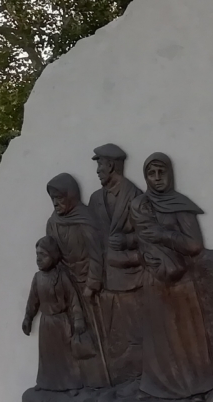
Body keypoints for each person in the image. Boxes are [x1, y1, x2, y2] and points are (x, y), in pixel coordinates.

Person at [130, 152, 213, 400]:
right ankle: (158, 387)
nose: (157, 177)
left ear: (170, 174)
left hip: (181, 279)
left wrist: (162, 235)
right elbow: (135, 238)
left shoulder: (180, 205)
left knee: (185, 334)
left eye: (162, 172)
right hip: (154, 277)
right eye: (151, 173)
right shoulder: (140, 205)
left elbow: (194, 245)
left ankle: (195, 387)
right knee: (159, 336)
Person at [44, 173, 111, 387]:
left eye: (60, 198)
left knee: (96, 333)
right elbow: (52, 255)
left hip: (87, 285)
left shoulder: (86, 219)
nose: (56, 203)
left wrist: (92, 284)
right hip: (67, 285)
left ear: (71, 196)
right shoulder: (53, 223)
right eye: (53, 199)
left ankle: (103, 381)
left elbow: (96, 254)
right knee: (73, 333)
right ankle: (78, 381)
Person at [86, 143, 146, 382]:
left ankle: (142, 380)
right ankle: (121, 382)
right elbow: (93, 244)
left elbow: (147, 236)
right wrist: (93, 282)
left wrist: (127, 241)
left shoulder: (136, 196)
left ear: (111, 165)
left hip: (132, 279)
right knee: (113, 336)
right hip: (106, 281)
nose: (97, 170)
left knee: (137, 334)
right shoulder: (95, 200)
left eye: (100, 164)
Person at [22, 236, 87, 392]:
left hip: (61, 322)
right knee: (47, 356)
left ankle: (71, 385)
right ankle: (46, 383)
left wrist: (78, 319)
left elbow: (73, 299)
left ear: (53, 256)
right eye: (37, 254)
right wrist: (27, 318)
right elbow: (32, 301)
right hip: (46, 324)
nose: (38, 259)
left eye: (43, 255)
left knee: (65, 355)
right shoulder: (37, 278)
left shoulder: (62, 276)